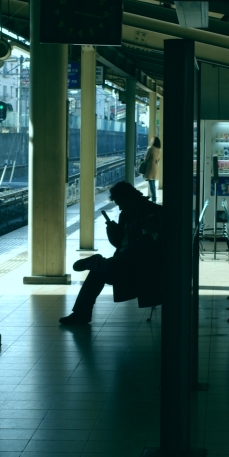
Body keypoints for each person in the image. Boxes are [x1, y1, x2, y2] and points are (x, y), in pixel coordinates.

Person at [59, 182, 162, 326]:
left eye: (121, 203)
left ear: (130, 199)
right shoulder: (126, 214)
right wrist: (113, 232)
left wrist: (122, 256)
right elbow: (119, 244)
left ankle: (81, 312)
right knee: (99, 270)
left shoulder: (152, 213)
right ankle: (81, 312)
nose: (119, 208)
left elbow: (146, 243)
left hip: (142, 267)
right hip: (126, 262)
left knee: (99, 269)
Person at [143, 136, 161, 203]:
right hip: (155, 168)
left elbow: (146, 159)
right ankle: (154, 199)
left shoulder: (150, 148)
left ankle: (153, 200)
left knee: (151, 185)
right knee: (153, 183)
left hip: (150, 168)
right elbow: (158, 159)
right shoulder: (159, 149)